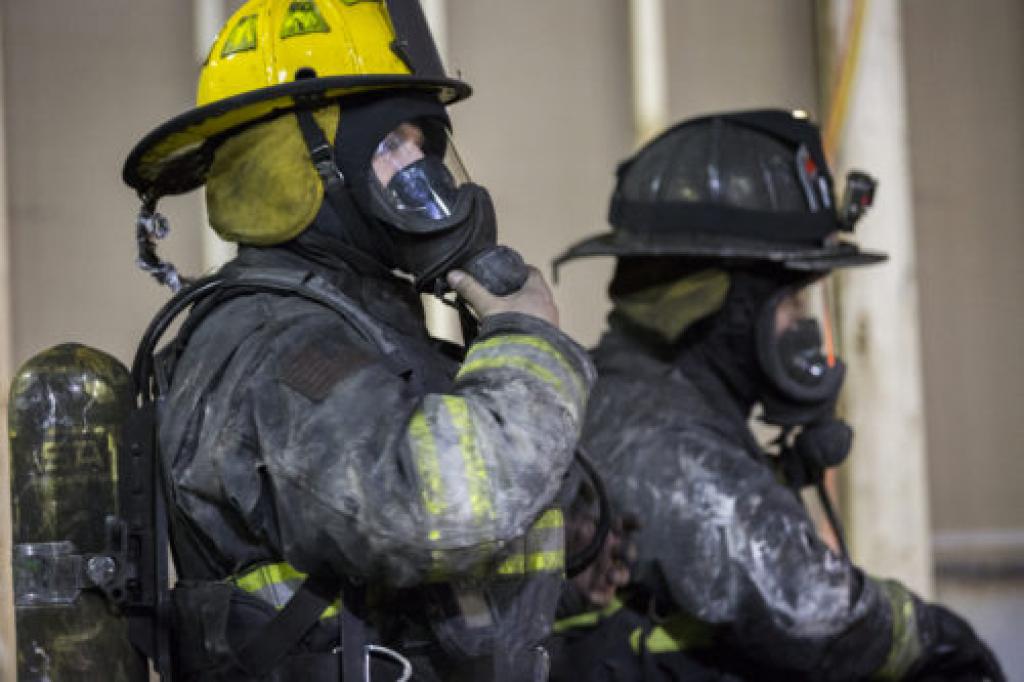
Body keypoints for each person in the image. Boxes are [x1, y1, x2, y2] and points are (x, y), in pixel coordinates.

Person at [121, 1, 594, 680]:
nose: (421, 170)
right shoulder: (276, 343)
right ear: (300, 165)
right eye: (390, 144)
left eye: (424, 144)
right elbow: (438, 508)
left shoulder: (359, 323)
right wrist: (530, 340)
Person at [548, 109, 1004, 681]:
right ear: (725, 307)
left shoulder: (630, 400)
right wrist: (942, 641)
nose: (805, 327)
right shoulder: (666, 444)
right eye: (793, 302)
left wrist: (775, 475)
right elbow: (820, 618)